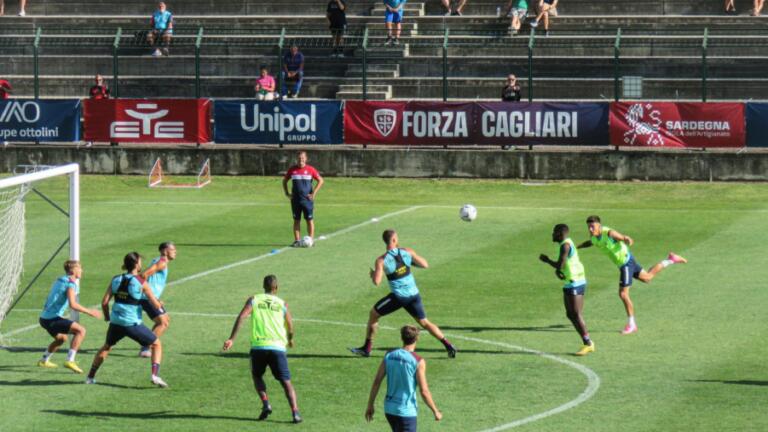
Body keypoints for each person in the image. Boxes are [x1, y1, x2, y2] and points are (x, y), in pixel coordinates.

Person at [350, 229, 457, 358]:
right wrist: (409, 262)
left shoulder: (381, 260)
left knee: (373, 314)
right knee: (425, 323)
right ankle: (448, 345)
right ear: (394, 240)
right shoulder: (407, 252)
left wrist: (374, 274)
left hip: (399, 297)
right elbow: (424, 264)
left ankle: (367, 348)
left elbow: (376, 282)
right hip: (414, 295)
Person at [577, 215, 687, 335]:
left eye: (592, 226)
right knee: (647, 278)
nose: (590, 229)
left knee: (623, 294)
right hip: (628, 260)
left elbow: (621, 237)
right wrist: (578, 246)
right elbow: (590, 242)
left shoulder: (608, 233)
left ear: (599, 225)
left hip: (626, 264)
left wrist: (627, 239)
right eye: (589, 227)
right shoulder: (594, 237)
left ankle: (631, 324)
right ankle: (671, 259)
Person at [223, 275, 302, 424]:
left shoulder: (254, 299)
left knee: (257, 376)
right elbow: (290, 326)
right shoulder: (282, 303)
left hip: (258, 347)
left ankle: (266, 403)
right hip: (278, 347)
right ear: (276, 288)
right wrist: (290, 339)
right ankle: (295, 413)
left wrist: (232, 338)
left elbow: (242, 316)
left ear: (263, 286)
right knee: (286, 382)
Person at [85, 252, 168, 387]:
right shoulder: (142, 282)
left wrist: (107, 317)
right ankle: (154, 375)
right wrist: (160, 304)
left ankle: (90, 377)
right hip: (132, 324)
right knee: (156, 344)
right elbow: (154, 303)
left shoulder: (115, 279)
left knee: (106, 347)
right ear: (136, 264)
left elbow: (104, 302)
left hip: (116, 322)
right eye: (140, 261)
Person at [365, 325, 442, 432]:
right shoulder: (418, 361)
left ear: (402, 338)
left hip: (389, 409)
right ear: (417, 338)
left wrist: (370, 405)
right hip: (406, 411)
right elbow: (424, 391)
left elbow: (377, 381)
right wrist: (435, 411)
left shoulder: (389, 355)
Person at [37, 260, 103, 373]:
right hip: (52, 318)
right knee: (81, 331)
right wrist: (89, 311)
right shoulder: (70, 284)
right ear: (73, 270)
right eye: (80, 268)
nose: (82, 270)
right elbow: (73, 304)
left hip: (44, 318)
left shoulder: (60, 279)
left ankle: (44, 360)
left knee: (61, 338)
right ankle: (70, 360)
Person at [539, 224, 594, 356]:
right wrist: (559, 271)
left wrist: (547, 260)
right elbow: (562, 266)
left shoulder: (565, 245)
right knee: (571, 314)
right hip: (575, 280)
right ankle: (586, 340)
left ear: (559, 233)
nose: (552, 235)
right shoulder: (567, 243)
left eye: (553, 232)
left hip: (574, 282)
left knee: (575, 313)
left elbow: (560, 264)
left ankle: (588, 343)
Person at [137, 242, 176, 358]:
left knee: (165, 320)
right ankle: (146, 347)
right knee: (163, 323)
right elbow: (144, 274)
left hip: (151, 297)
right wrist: (144, 292)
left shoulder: (159, 261)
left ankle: (148, 342)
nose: (175, 252)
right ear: (164, 251)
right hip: (148, 298)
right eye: (172, 249)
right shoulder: (162, 262)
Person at [282, 151, 324, 247]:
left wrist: (313, 193)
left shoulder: (310, 169)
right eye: (299, 158)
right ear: (296, 159)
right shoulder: (292, 170)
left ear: (306, 159)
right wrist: (287, 193)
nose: (301, 160)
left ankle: (311, 240)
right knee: (296, 220)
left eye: (302, 158)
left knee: (309, 220)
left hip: (307, 200)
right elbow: (284, 181)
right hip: (295, 200)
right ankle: (297, 241)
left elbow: (321, 180)